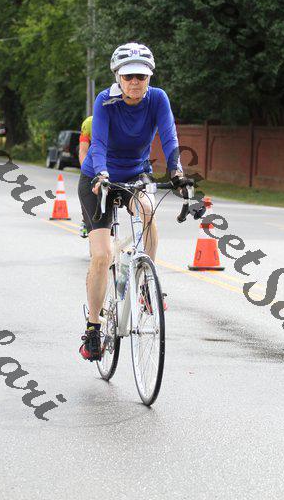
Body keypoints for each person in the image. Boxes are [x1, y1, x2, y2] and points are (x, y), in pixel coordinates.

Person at [77, 42, 189, 361]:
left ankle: (144, 286)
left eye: (141, 76)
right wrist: (101, 173)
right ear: (118, 77)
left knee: (148, 211)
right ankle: (93, 328)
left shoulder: (158, 98)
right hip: (98, 178)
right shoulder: (105, 100)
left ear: (149, 77)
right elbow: (98, 142)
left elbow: (169, 137)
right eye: (129, 76)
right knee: (102, 255)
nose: (135, 82)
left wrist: (177, 171)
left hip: (136, 175)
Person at [78, 116, 93, 238]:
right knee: (86, 185)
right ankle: (86, 218)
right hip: (94, 163)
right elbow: (83, 151)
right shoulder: (89, 123)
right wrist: (85, 171)